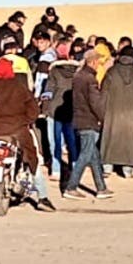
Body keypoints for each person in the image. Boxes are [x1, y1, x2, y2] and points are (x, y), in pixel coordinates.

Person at [0, 58, 55, 212]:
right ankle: (43, 197)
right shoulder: (19, 88)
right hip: (18, 131)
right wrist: (25, 121)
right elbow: (33, 109)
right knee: (32, 159)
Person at [63, 52, 111, 200]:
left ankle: (101, 188)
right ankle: (71, 187)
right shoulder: (90, 79)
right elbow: (95, 102)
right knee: (85, 155)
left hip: (79, 119)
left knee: (93, 155)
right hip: (89, 121)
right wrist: (103, 117)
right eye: (99, 62)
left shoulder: (78, 77)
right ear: (93, 62)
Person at [100, 45, 133, 178]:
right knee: (130, 142)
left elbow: (103, 94)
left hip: (112, 112)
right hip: (132, 114)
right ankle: (127, 169)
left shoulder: (111, 72)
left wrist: (100, 113)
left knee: (110, 139)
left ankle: (107, 167)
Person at [42, 50, 79, 180]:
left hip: (55, 110)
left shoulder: (54, 72)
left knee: (55, 141)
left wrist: (44, 110)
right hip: (72, 110)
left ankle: (56, 169)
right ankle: (75, 167)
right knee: (72, 141)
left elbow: (49, 91)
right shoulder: (78, 73)